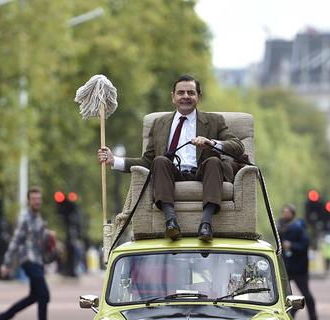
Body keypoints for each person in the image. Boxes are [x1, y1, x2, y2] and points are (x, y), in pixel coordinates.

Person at [97, 74, 245, 242]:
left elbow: (238, 147)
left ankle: (206, 223)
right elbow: (147, 161)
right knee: (159, 161)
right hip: (171, 173)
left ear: (199, 96)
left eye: (191, 93)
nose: (185, 97)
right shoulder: (159, 123)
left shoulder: (214, 121)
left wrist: (211, 143)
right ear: (173, 97)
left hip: (204, 172)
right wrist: (114, 160)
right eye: (181, 93)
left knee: (213, 161)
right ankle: (171, 222)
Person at [0, 187, 61, 320]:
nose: (37, 201)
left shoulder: (38, 218)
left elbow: (39, 239)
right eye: (34, 199)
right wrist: (6, 263)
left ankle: (3, 317)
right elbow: (16, 241)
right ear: (28, 201)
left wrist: (49, 234)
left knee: (34, 296)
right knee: (44, 294)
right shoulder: (25, 218)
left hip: (37, 260)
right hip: (28, 259)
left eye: (39, 199)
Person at [278, 204, 318, 320]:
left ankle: (313, 319)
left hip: (299, 267)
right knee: (282, 294)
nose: (285, 214)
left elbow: (305, 246)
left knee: (305, 293)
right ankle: (289, 316)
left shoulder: (299, 228)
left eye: (287, 212)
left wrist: (291, 245)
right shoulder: (279, 227)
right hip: (286, 267)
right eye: (284, 212)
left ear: (292, 214)